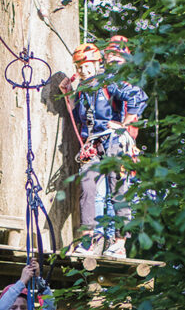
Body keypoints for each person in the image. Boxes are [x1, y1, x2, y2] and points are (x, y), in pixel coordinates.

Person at [59, 43, 148, 257]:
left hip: (114, 142)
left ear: (97, 63)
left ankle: (119, 243)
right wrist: (68, 93)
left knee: (118, 191)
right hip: (93, 145)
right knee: (87, 186)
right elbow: (76, 113)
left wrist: (124, 125)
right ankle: (89, 238)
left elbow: (138, 96)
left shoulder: (109, 82)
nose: (83, 70)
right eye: (79, 67)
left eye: (87, 65)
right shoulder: (82, 89)